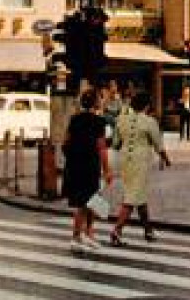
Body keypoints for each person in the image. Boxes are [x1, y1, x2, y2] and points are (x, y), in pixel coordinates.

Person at [110, 90, 170, 244]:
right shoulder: (150, 121)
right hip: (141, 161)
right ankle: (117, 230)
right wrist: (166, 159)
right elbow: (159, 145)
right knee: (132, 197)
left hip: (124, 161)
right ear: (147, 106)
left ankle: (148, 230)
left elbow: (115, 144)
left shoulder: (120, 119)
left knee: (138, 194)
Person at [61, 88, 112, 253]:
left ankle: (88, 234)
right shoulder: (99, 122)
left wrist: (72, 157)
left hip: (75, 165)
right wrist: (107, 169)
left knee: (89, 201)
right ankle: (76, 237)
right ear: (96, 102)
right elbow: (101, 147)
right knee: (85, 202)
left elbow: (65, 143)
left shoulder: (74, 119)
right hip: (90, 165)